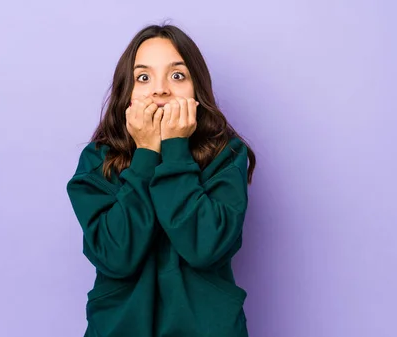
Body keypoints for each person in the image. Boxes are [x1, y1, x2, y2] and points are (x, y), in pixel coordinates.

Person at [66, 23, 256, 337]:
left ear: (197, 89)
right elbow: (117, 257)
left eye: (177, 75)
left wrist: (175, 149)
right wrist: (146, 153)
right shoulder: (97, 160)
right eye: (144, 77)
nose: (160, 90)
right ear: (127, 92)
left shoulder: (226, 155)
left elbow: (205, 248)